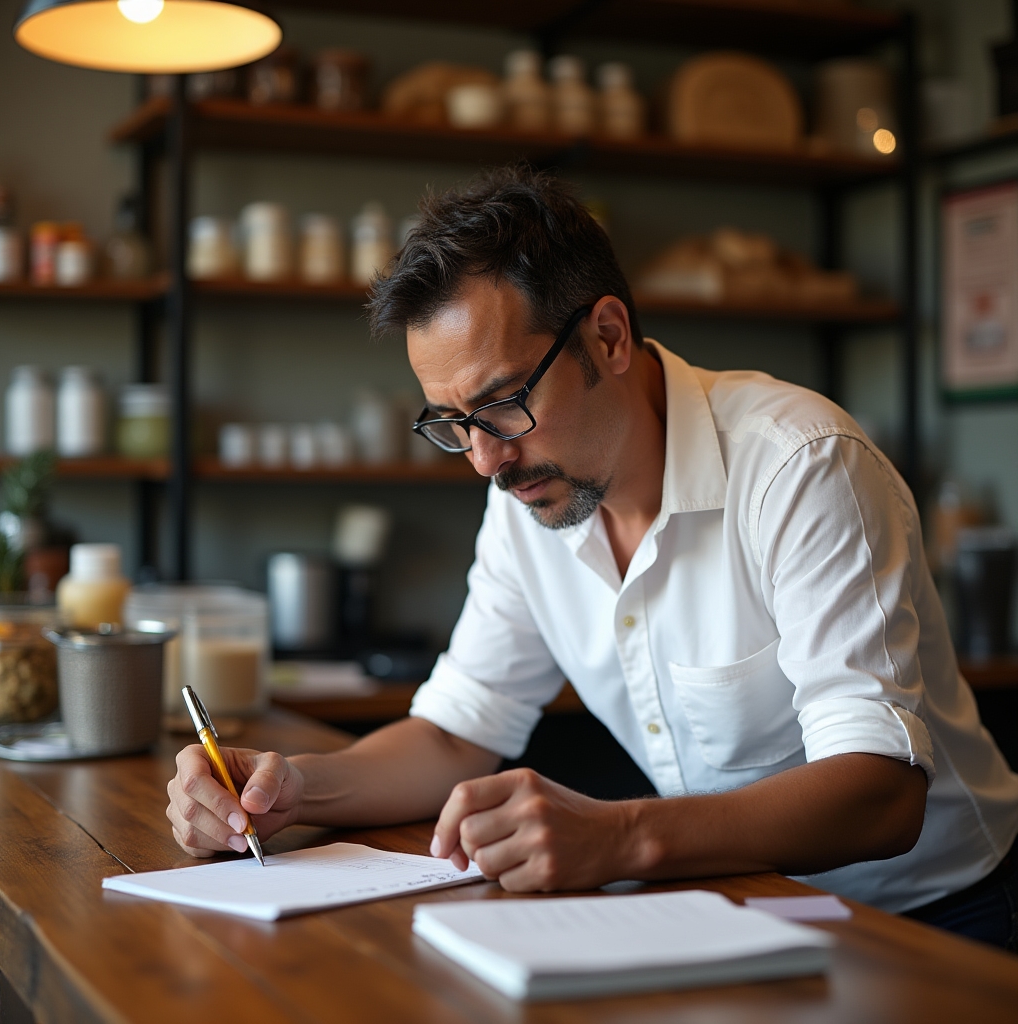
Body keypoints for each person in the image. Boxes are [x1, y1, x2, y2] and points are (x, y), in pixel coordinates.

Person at [167, 167, 1018, 949]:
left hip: (935, 919)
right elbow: (455, 734)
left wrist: (616, 834)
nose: (483, 461)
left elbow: (881, 792)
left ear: (608, 335)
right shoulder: (529, 494)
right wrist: (285, 791)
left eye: (501, 403)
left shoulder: (800, 464)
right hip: (731, 905)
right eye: (452, 421)